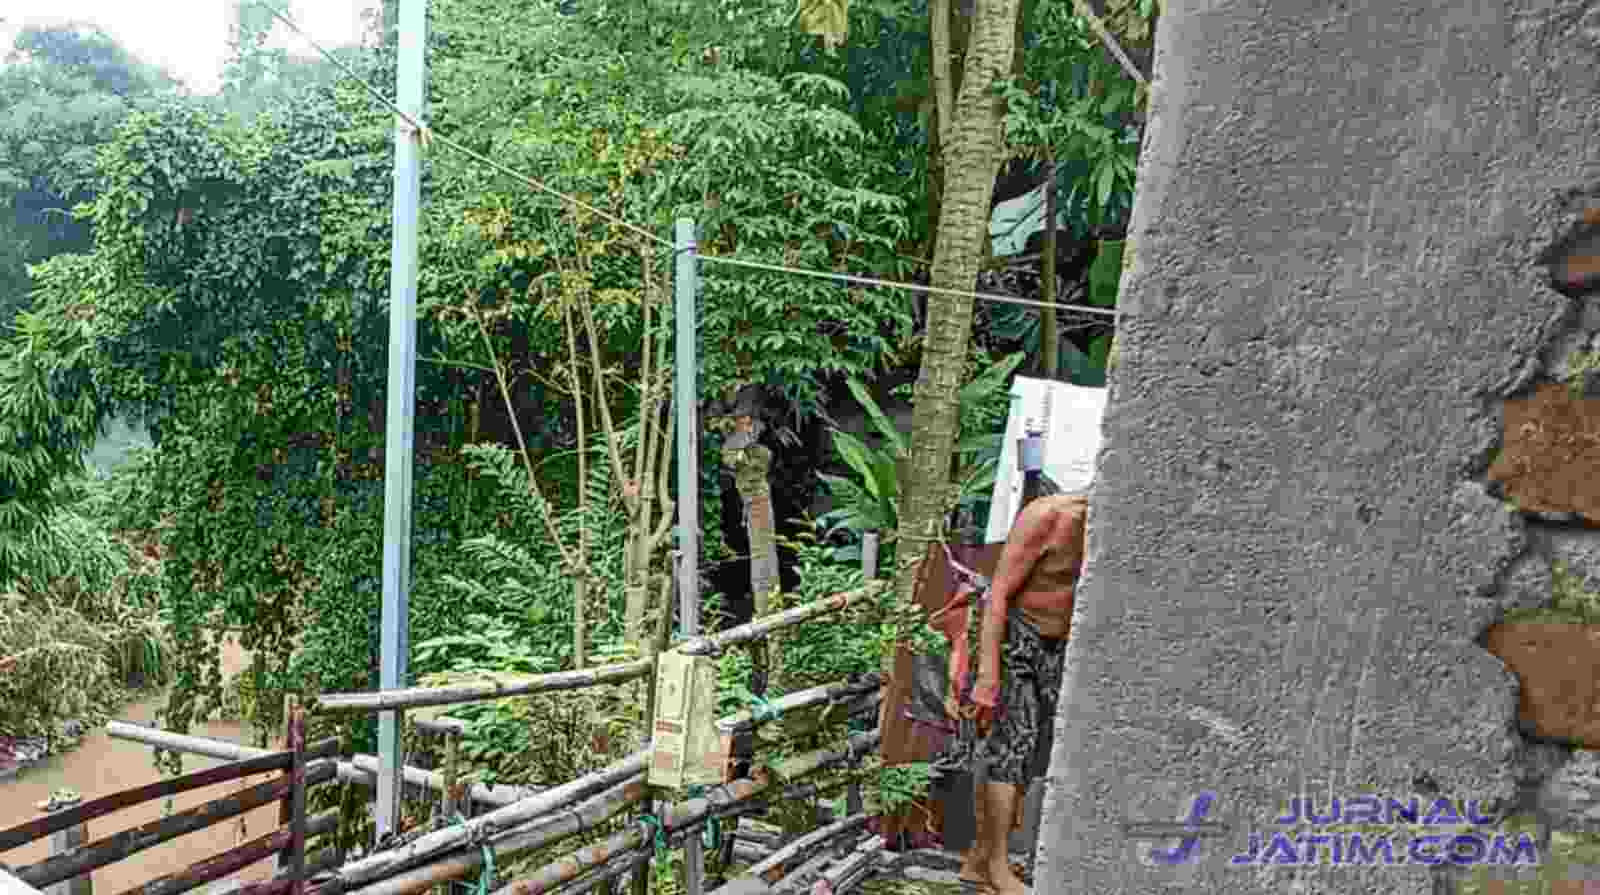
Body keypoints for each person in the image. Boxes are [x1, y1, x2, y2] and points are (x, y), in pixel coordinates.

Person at [935, 491, 1088, 895]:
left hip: (1060, 647)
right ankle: (997, 868)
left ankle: (979, 859)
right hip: (1018, 637)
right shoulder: (1049, 517)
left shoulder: (1116, 530)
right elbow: (997, 593)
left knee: (1036, 754)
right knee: (1012, 748)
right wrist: (987, 676)